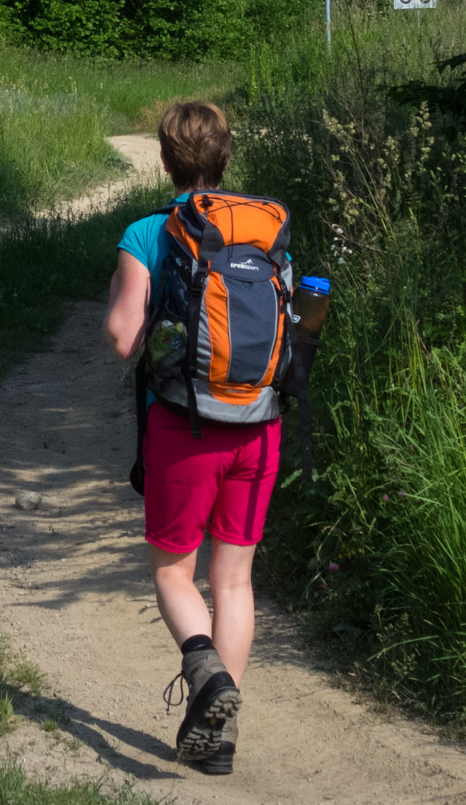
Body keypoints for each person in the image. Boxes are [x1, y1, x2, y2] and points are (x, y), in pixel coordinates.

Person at [102, 101, 281, 776]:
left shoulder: (151, 232)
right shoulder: (265, 230)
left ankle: (205, 671)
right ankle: (218, 733)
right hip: (260, 423)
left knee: (174, 571)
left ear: (164, 159)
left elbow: (123, 340)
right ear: (226, 158)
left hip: (185, 425)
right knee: (233, 579)